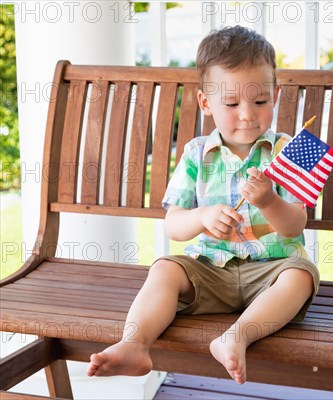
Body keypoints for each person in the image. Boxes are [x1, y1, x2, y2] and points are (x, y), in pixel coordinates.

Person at [86, 25, 320, 385]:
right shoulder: (197, 154)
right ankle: (134, 343)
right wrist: (203, 216)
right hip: (211, 270)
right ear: (206, 103)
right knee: (164, 268)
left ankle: (236, 337)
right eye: (231, 103)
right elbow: (174, 225)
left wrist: (269, 200)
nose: (247, 114)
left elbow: (293, 227)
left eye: (260, 101)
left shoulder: (289, 150)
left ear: (275, 95)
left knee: (301, 276)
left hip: (270, 272)